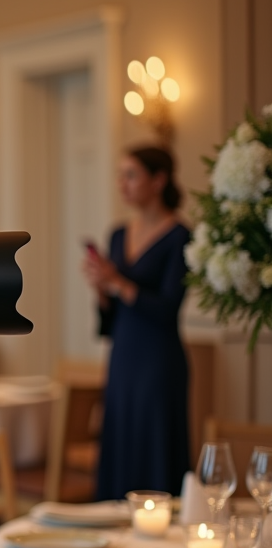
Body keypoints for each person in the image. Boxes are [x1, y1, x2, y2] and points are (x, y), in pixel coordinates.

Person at [83, 146, 191, 499]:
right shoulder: (118, 234)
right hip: (123, 356)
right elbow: (111, 319)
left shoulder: (180, 236)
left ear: (158, 181)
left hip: (159, 359)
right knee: (120, 443)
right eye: (120, 175)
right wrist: (101, 290)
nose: (122, 184)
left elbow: (168, 309)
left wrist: (117, 282)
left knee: (155, 446)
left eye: (131, 175)